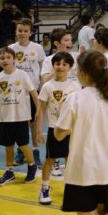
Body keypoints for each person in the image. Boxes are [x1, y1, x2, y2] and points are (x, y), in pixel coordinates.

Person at [54, 51, 108, 215]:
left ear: (84, 73)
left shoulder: (74, 99)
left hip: (82, 170)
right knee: (106, 211)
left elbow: (59, 134)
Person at [0, 47, 40, 187]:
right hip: (5, 118)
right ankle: (9, 172)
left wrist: (39, 109)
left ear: (14, 59)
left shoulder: (22, 75)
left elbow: (33, 92)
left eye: (8, 57)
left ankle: (32, 166)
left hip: (21, 117)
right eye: (2, 58)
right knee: (8, 146)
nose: (5, 60)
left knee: (23, 145)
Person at [36, 52, 81, 204]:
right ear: (53, 66)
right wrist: (38, 131)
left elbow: (79, 109)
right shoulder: (47, 86)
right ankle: (44, 187)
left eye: (64, 64)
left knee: (70, 160)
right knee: (50, 159)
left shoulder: (75, 86)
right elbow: (41, 110)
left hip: (71, 129)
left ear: (70, 67)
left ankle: (71, 188)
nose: (61, 67)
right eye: (58, 64)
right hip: (54, 128)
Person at [9, 18, 46, 168]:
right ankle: (21, 150)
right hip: (16, 91)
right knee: (19, 123)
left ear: (31, 32)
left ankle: (35, 151)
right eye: (20, 30)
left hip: (33, 91)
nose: (22, 33)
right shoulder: (11, 48)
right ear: (16, 31)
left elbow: (43, 68)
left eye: (25, 31)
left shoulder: (37, 48)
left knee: (34, 123)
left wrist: (42, 85)